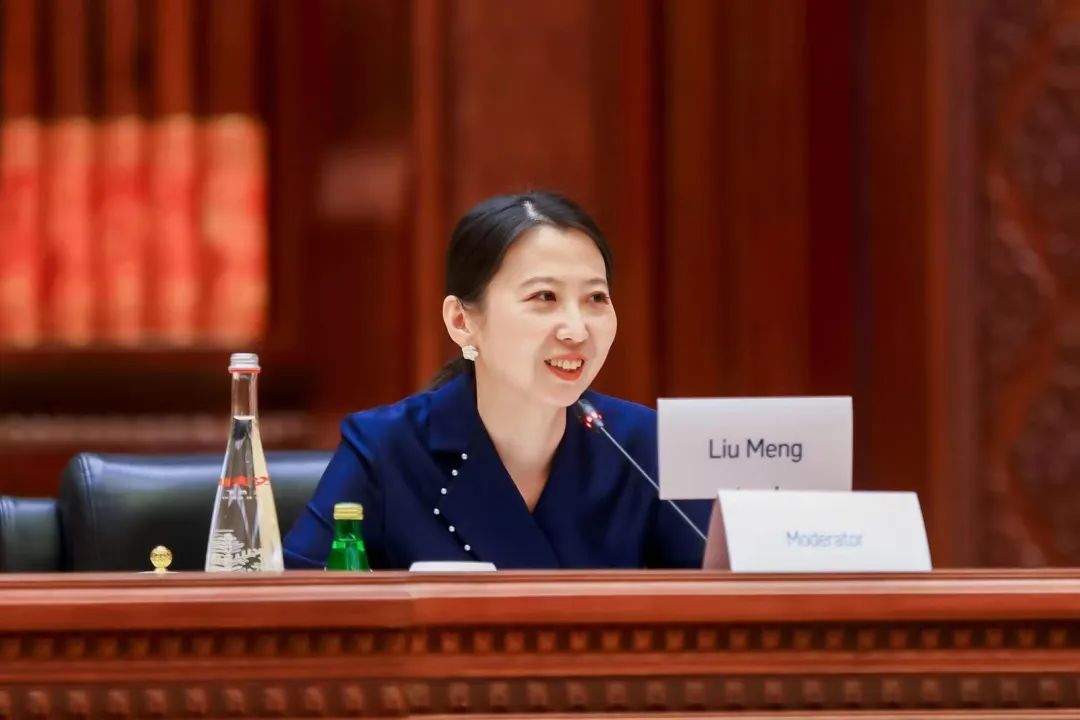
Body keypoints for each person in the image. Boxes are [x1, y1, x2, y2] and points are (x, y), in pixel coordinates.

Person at [283, 191, 710, 569]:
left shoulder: (646, 446)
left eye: (596, 298)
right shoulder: (386, 449)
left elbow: (718, 601)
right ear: (461, 321)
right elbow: (302, 604)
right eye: (545, 297)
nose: (577, 330)